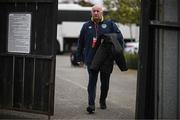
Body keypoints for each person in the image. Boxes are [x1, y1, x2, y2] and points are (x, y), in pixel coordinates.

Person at [76, 4, 125, 114]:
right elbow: (80, 43)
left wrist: (108, 38)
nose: (96, 13)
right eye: (94, 11)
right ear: (91, 13)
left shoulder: (110, 24)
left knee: (105, 83)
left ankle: (102, 100)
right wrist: (79, 58)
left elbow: (119, 37)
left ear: (102, 12)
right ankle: (91, 104)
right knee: (92, 82)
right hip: (91, 59)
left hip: (106, 60)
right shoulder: (86, 26)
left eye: (98, 11)